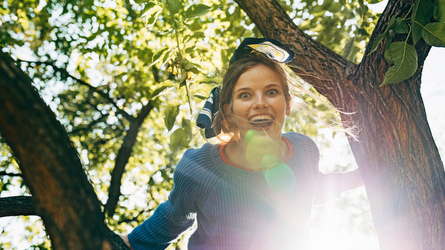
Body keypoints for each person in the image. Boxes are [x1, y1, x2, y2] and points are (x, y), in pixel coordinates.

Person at [121, 38, 363, 250]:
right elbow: (168, 222)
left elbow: (310, 187)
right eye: (245, 95)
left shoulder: (304, 149)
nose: (260, 103)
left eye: (271, 92)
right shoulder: (199, 168)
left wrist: (360, 177)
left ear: (288, 104)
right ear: (228, 110)